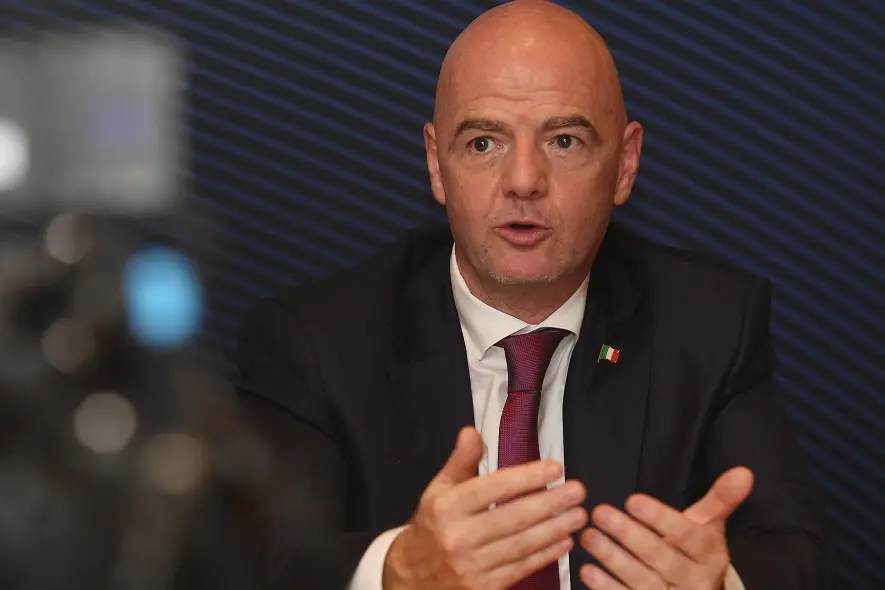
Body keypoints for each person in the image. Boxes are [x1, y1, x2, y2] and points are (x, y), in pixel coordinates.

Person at [235, 1, 827, 589]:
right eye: (483, 143)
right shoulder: (316, 343)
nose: (523, 181)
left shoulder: (708, 324)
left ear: (625, 164)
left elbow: (797, 556)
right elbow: (255, 561)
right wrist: (395, 573)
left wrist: (718, 583)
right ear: (436, 166)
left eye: (564, 141)